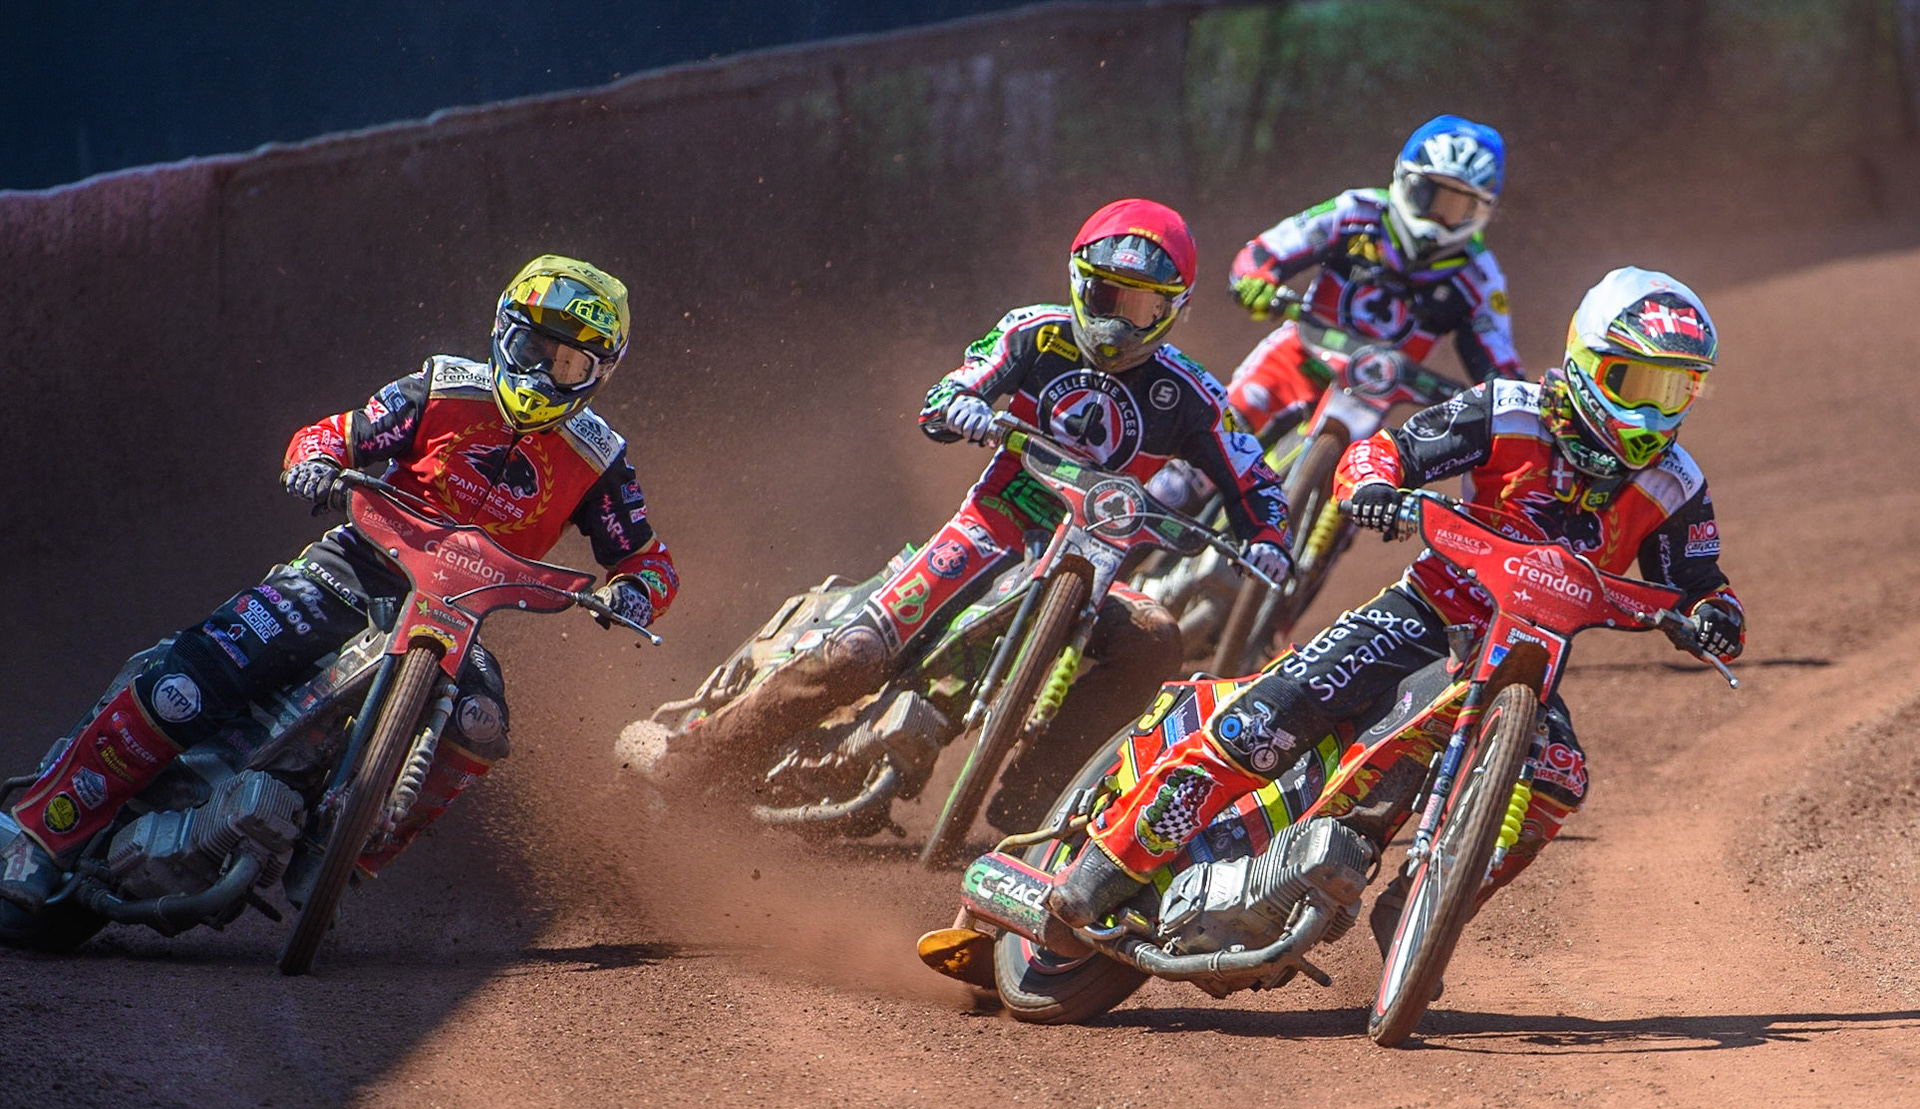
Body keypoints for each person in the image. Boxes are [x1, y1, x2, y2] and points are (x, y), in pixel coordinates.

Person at [1048, 266, 1745, 944]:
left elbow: (1701, 580)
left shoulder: (1675, 484)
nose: (1655, 411)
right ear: (1590, 362)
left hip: (1525, 662)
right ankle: (1109, 863)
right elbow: (1383, 453)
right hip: (1422, 616)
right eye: (1640, 383)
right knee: (1269, 719)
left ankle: (1425, 907)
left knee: (1559, 778)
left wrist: (1717, 613)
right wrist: (1377, 486)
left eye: (1678, 388)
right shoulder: (1509, 408)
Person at [0, 255, 678, 911]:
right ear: (502, 332)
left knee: (481, 720)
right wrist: (316, 462)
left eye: (565, 362)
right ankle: (36, 832)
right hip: (348, 571)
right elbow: (333, 433)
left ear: (598, 374)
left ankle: (356, 846)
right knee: (186, 683)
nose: (540, 370)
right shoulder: (442, 387)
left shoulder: (597, 458)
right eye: (530, 345)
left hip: (456, 613)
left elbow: (650, 559)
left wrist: (635, 592)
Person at [656, 200, 1292, 830]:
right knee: (856, 651)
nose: (1121, 323)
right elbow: (951, 388)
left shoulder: (1190, 395)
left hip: (1092, 558)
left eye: (1143, 307)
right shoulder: (1033, 333)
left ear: (1174, 309)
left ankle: (1036, 797)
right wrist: (960, 408)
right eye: (1107, 297)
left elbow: (1255, 475)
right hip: (992, 525)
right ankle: (692, 763)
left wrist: (1267, 539)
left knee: (1155, 640)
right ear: (1078, 283)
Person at [1222, 115, 1523, 448]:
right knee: (1205, 451)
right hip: (1298, 355)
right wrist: (1256, 281)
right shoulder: (1356, 212)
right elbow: (1268, 250)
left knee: (1356, 487)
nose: (1440, 216)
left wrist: (1520, 401)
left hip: (1374, 393)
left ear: (1482, 212)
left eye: (1459, 207)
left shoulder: (1479, 276)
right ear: (1406, 180)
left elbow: (1500, 362)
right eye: (1432, 196)